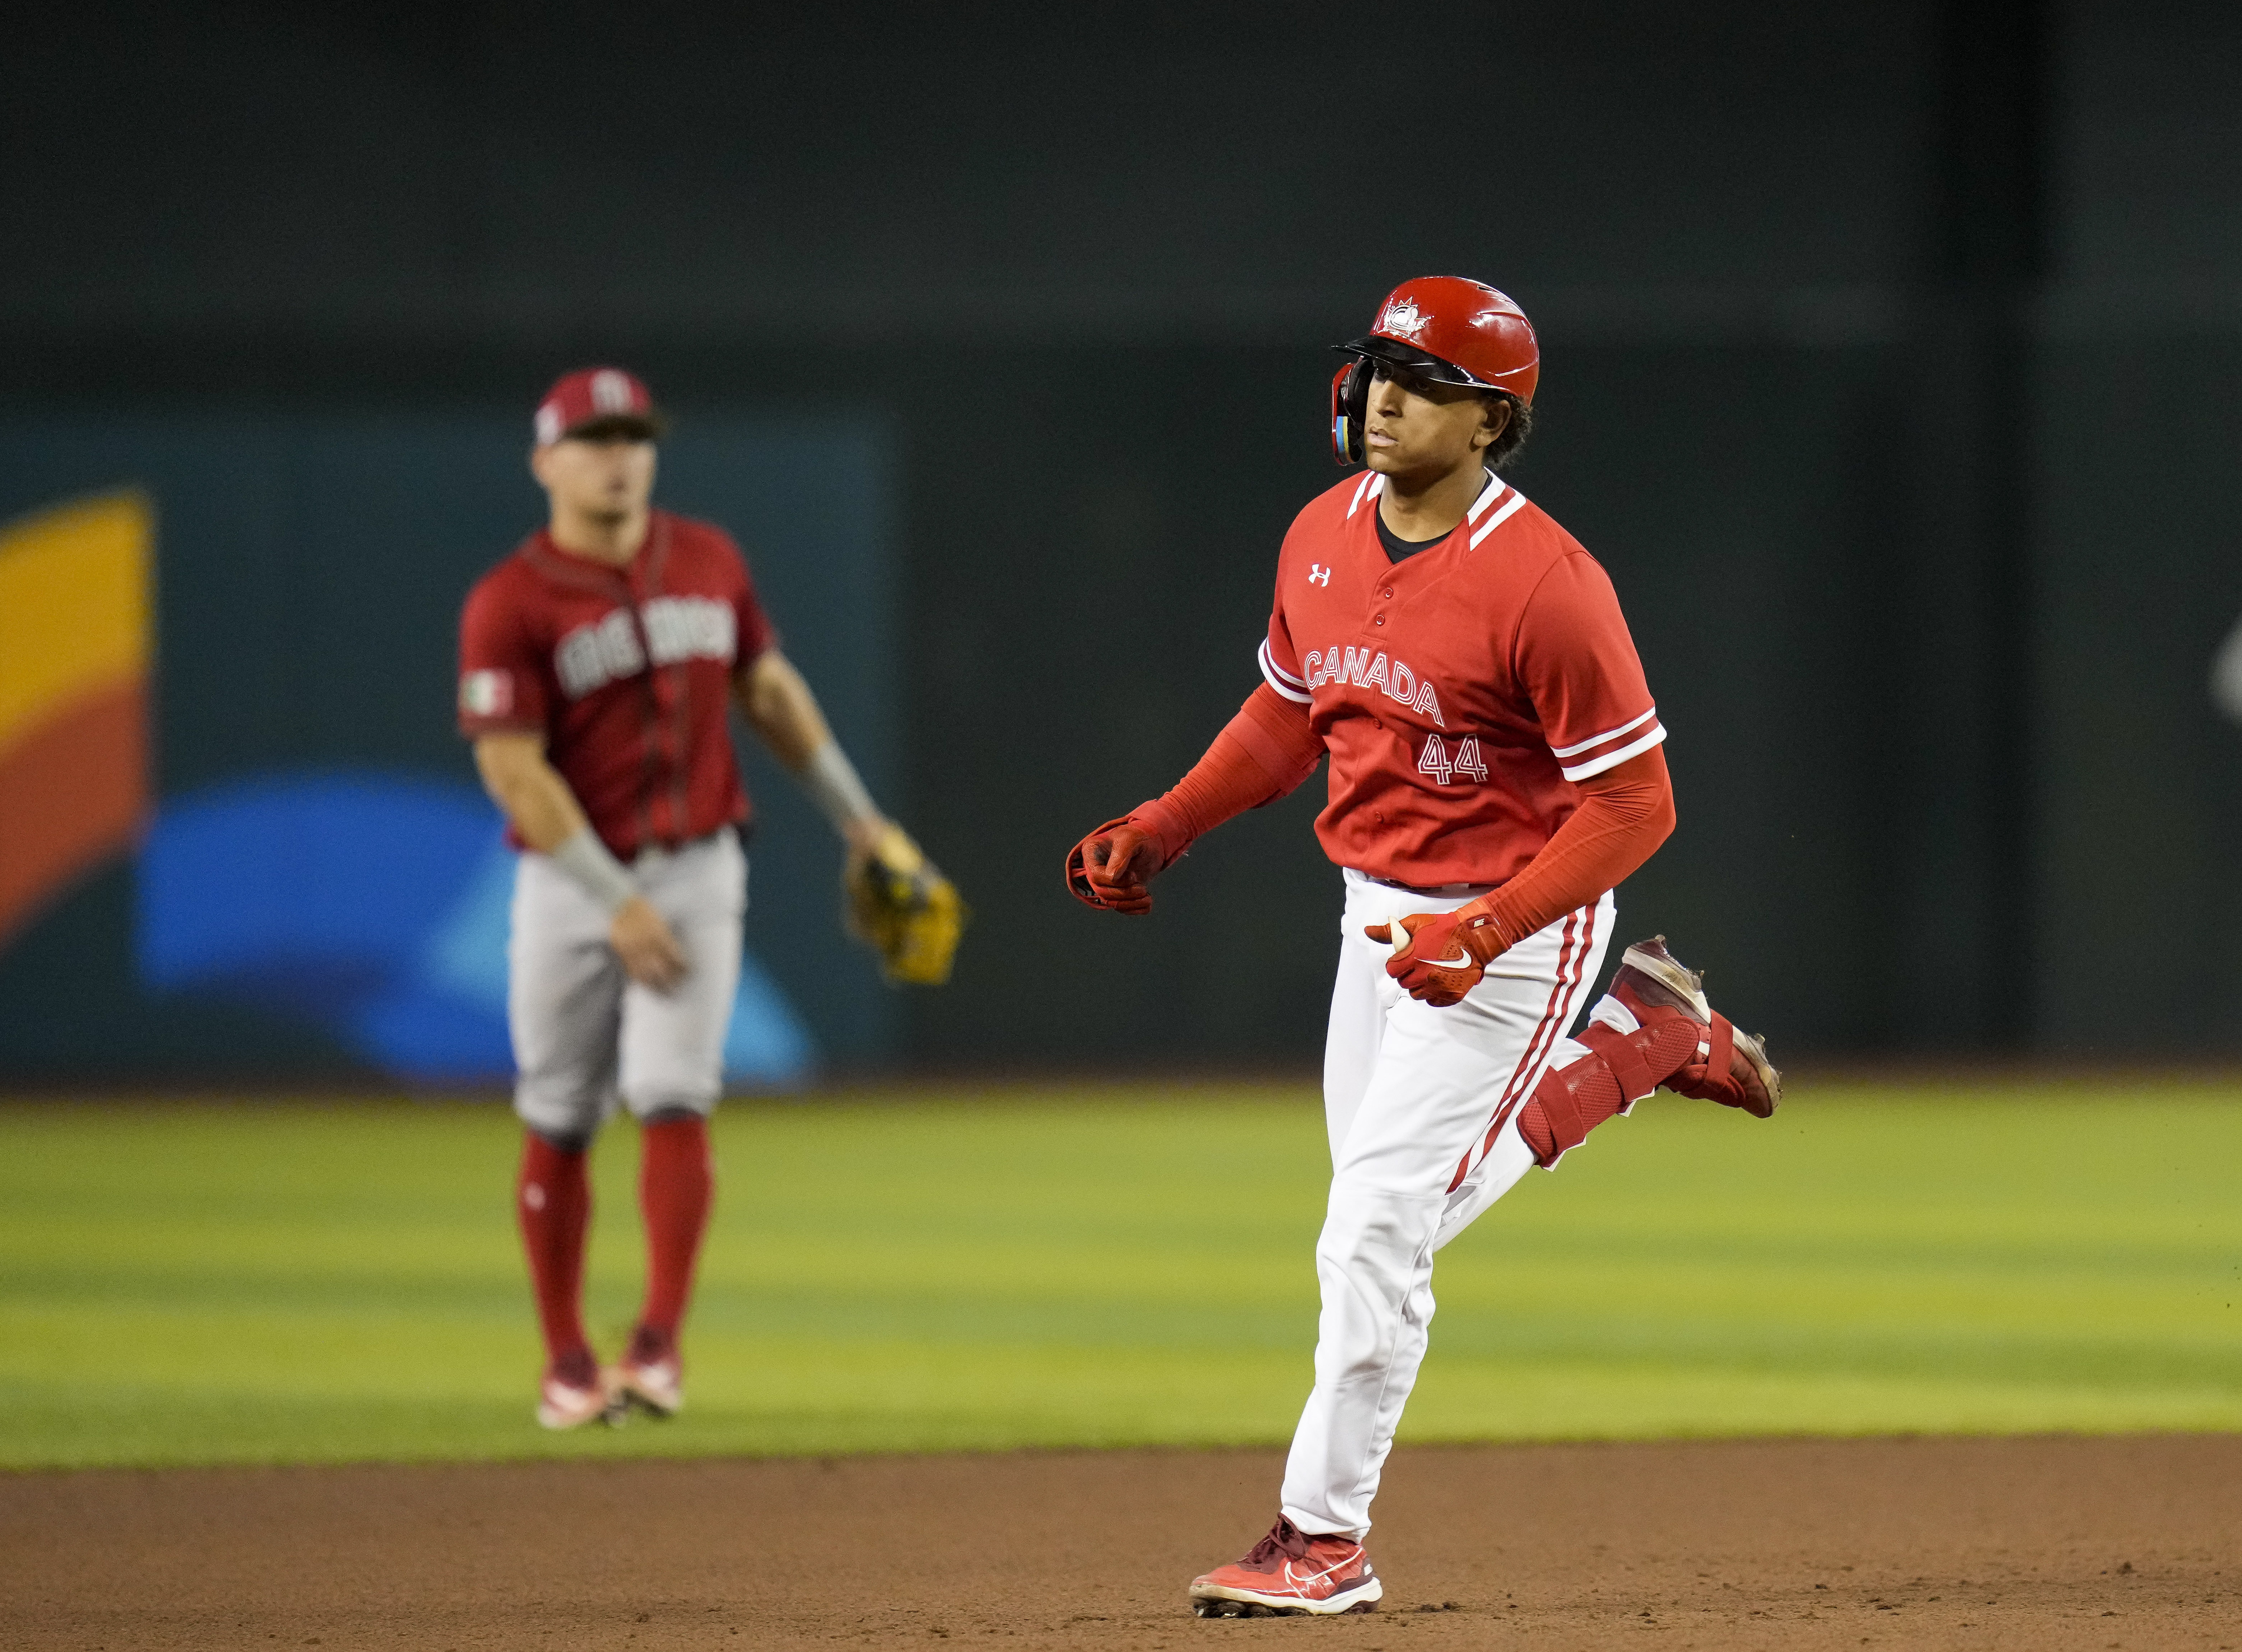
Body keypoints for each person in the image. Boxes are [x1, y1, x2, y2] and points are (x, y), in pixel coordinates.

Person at [1066, 279, 1780, 1617]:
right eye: (1379, 366)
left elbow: (1639, 804)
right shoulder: (1321, 533)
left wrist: (1498, 925)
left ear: (1493, 419)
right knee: (1388, 1227)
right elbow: (1291, 717)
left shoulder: (1547, 582)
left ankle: (1321, 1537)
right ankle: (1645, 1041)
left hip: (1522, 921)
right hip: (1376, 916)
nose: (1385, 395)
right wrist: (1166, 825)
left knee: (1375, 1231)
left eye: (1426, 377)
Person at [457, 366, 959, 1430]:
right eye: (594, 438)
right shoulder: (510, 601)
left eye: (634, 434)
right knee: (558, 1111)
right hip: (567, 877)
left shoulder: (708, 559)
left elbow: (769, 695)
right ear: (546, 460)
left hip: (695, 863)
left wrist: (859, 820)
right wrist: (609, 897)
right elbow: (514, 772)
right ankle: (563, 1357)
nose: (619, 455)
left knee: (675, 1090)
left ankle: (658, 1345)